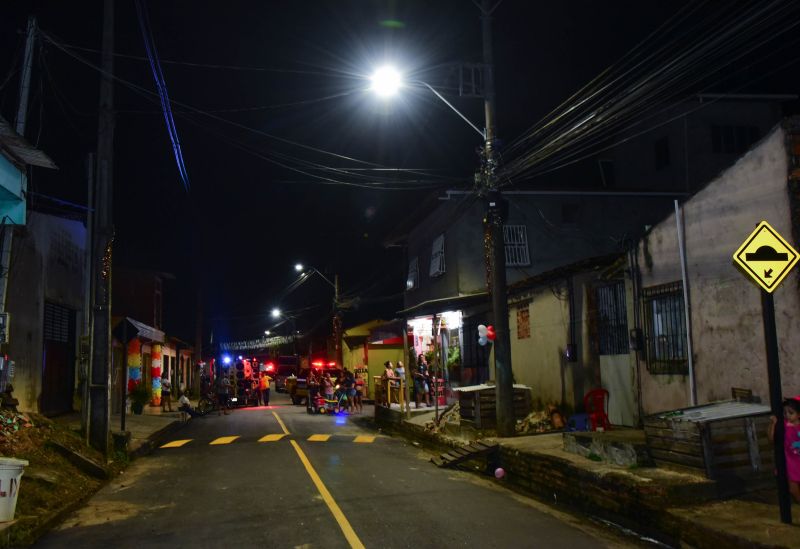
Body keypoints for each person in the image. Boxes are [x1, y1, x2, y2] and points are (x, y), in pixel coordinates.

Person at [769, 396, 800, 502]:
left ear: (798, 414)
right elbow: (772, 439)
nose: (787, 415)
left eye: (791, 413)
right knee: (792, 488)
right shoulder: (784, 426)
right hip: (790, 461)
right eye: (785, 412)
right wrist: (773, 424)